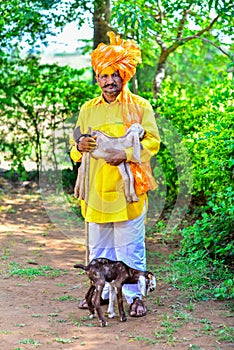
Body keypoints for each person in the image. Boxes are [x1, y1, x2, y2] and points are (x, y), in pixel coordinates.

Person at [70, 32, 160, 317]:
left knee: (130, 249)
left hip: (128, 192)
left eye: (115, 75)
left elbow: (152, 143)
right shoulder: (87, 109)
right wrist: (79, 146)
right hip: (96, 193)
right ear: (97, 78)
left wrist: (127, 154)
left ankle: (135, 298)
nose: (109, 81)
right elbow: (76, 148)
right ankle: (104, 294)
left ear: (125, 76)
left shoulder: (140, 106)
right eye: (103, 75)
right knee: (99, 249)